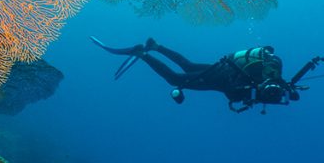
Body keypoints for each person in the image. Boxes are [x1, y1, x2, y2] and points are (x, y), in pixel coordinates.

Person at [90, 36, 301, 112]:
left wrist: (289, 90)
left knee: (188, 65)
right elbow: (232, 92)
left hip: (224, 67)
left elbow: (288, 91)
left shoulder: (272, 77)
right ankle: (142, 54)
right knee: (174, 79)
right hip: (219, 78)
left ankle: (155, 46)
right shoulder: (268, 80)